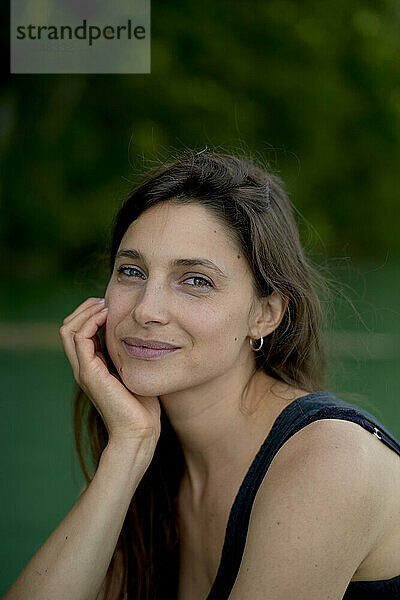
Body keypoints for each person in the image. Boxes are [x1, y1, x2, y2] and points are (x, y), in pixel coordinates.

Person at [4, 149, 400, 600]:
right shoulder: (160, 460)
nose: (146, 310)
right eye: (131, 272)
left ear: (265, 314)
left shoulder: (329, 459)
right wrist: (127, 450)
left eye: (195, 280)